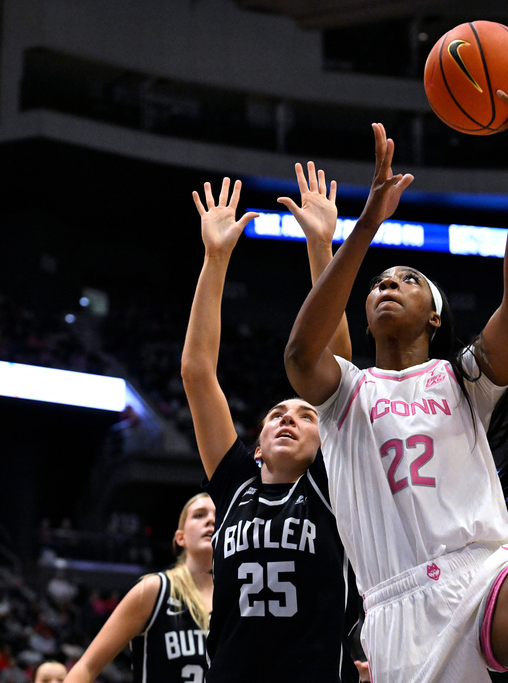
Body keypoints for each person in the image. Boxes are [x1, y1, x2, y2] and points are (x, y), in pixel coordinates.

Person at [284, 54, 508, 682]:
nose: (389, 283)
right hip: (398, 608)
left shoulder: (463, 381)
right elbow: (302, 354)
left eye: (409, 279)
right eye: (380, 281)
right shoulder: (346, 394)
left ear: (435, 317)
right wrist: (362, 229)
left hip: (485, 574)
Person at [181, 167, 360, 682]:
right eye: (277, 415)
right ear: (256, 444)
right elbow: (196, 373)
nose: (290, 417)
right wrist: (215, 259)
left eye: (307, 415)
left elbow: (339, 362)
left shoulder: (329, 484)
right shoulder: (235, 485)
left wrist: (321, 247)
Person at [64, 493, 215, 683]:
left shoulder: (239, 599)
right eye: (199, 515)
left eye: (219, 515)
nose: (211, 520)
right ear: (180, 538)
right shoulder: (154, 590)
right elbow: (86, 667)